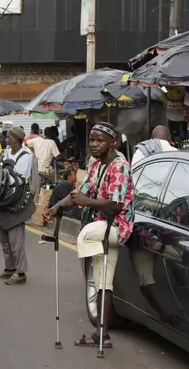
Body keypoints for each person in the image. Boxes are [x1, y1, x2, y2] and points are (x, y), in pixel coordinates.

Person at [45, 122, 133, 349]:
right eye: (92, 139)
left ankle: (88, 268)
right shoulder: (95, 164)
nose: (94, 144)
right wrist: (56, 208)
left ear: (112, 142)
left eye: (100, 140)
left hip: (117, 225)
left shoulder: (119, 165)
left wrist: (88, 202)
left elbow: (116, 203)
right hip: (100, 224)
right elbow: (80, 193)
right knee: (105, 282)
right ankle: (102, 334)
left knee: (86, 235)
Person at [0, 127, 34, 285]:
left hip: (15, 201)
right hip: (4, 201)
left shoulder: (25, 156)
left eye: (8, 137)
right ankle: (10, 268)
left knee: (16, 240)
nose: (6, 140)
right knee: (4, 237)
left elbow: (19, 180)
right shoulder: (8, 153)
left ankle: (20, 272)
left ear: (15, 138)